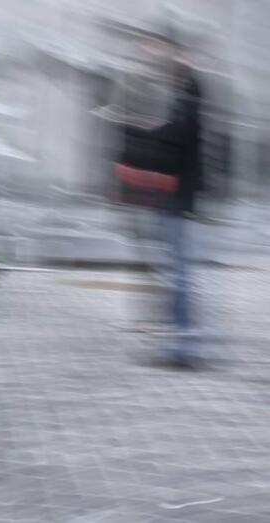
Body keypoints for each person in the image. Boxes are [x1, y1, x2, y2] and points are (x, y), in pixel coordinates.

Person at [95, 26, 204, 368]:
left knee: (177, 271)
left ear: (177, 52)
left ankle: (184, 348)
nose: (153, 55)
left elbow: (174, 137)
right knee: (172, 268)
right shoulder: (181, 87)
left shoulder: (188, 89)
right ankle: (176, 340)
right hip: (167, 190)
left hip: (175, 191)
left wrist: (128, 120)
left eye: (158, 48)